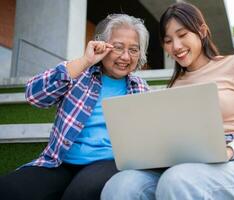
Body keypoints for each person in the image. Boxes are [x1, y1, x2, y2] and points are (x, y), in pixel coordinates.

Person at [101, 2, 234, 200]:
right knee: (121, 185)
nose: (176, 46)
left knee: (177, 180)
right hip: (184, 167)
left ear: (202, 31)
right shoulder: (174, 86)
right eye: (168, 40)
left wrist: (230, 149)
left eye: (183, 34)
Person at [0, 13, 150, 200]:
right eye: (118, 47)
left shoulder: (141, 87)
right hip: (59, 162)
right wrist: (85, 61)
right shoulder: (78, 73)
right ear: (103, 46)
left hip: (108, 162)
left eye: (134, 50)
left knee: (81, 193)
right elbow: (34, 95)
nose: (126, 56)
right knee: (8, 189)